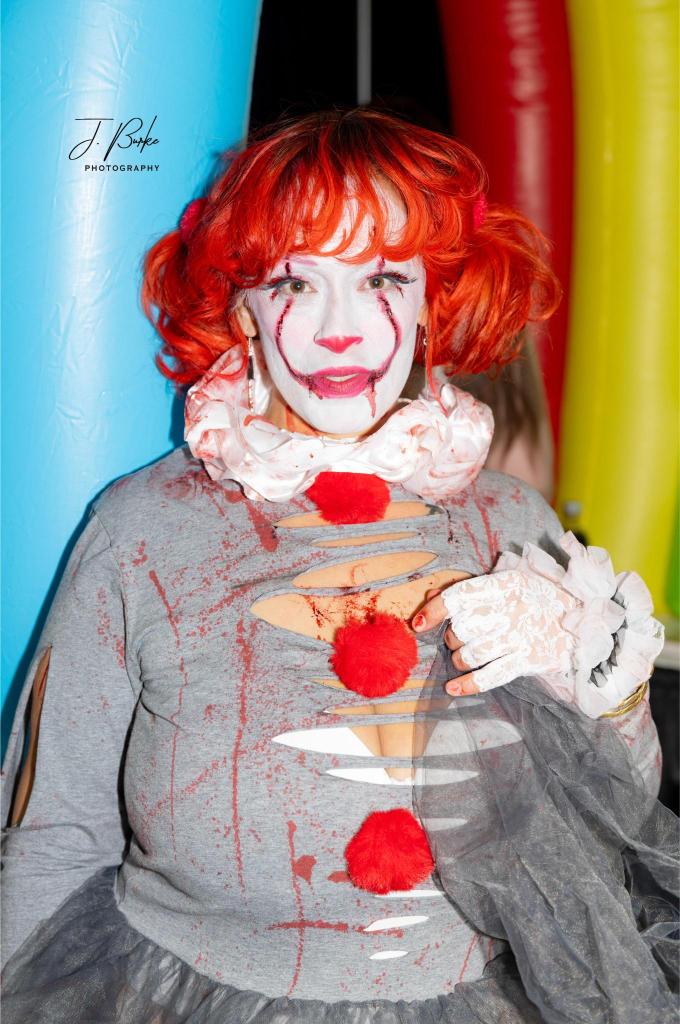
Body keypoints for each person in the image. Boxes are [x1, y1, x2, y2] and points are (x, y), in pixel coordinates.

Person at [1, 108, 676, 1023]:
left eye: (382, 278)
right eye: (294, 282)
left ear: (432, 303)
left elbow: (603, 826)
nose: (340, 332)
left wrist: (614, 703)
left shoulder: (512, 524)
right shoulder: (139, 534)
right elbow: (52, 840)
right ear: (241, 309)